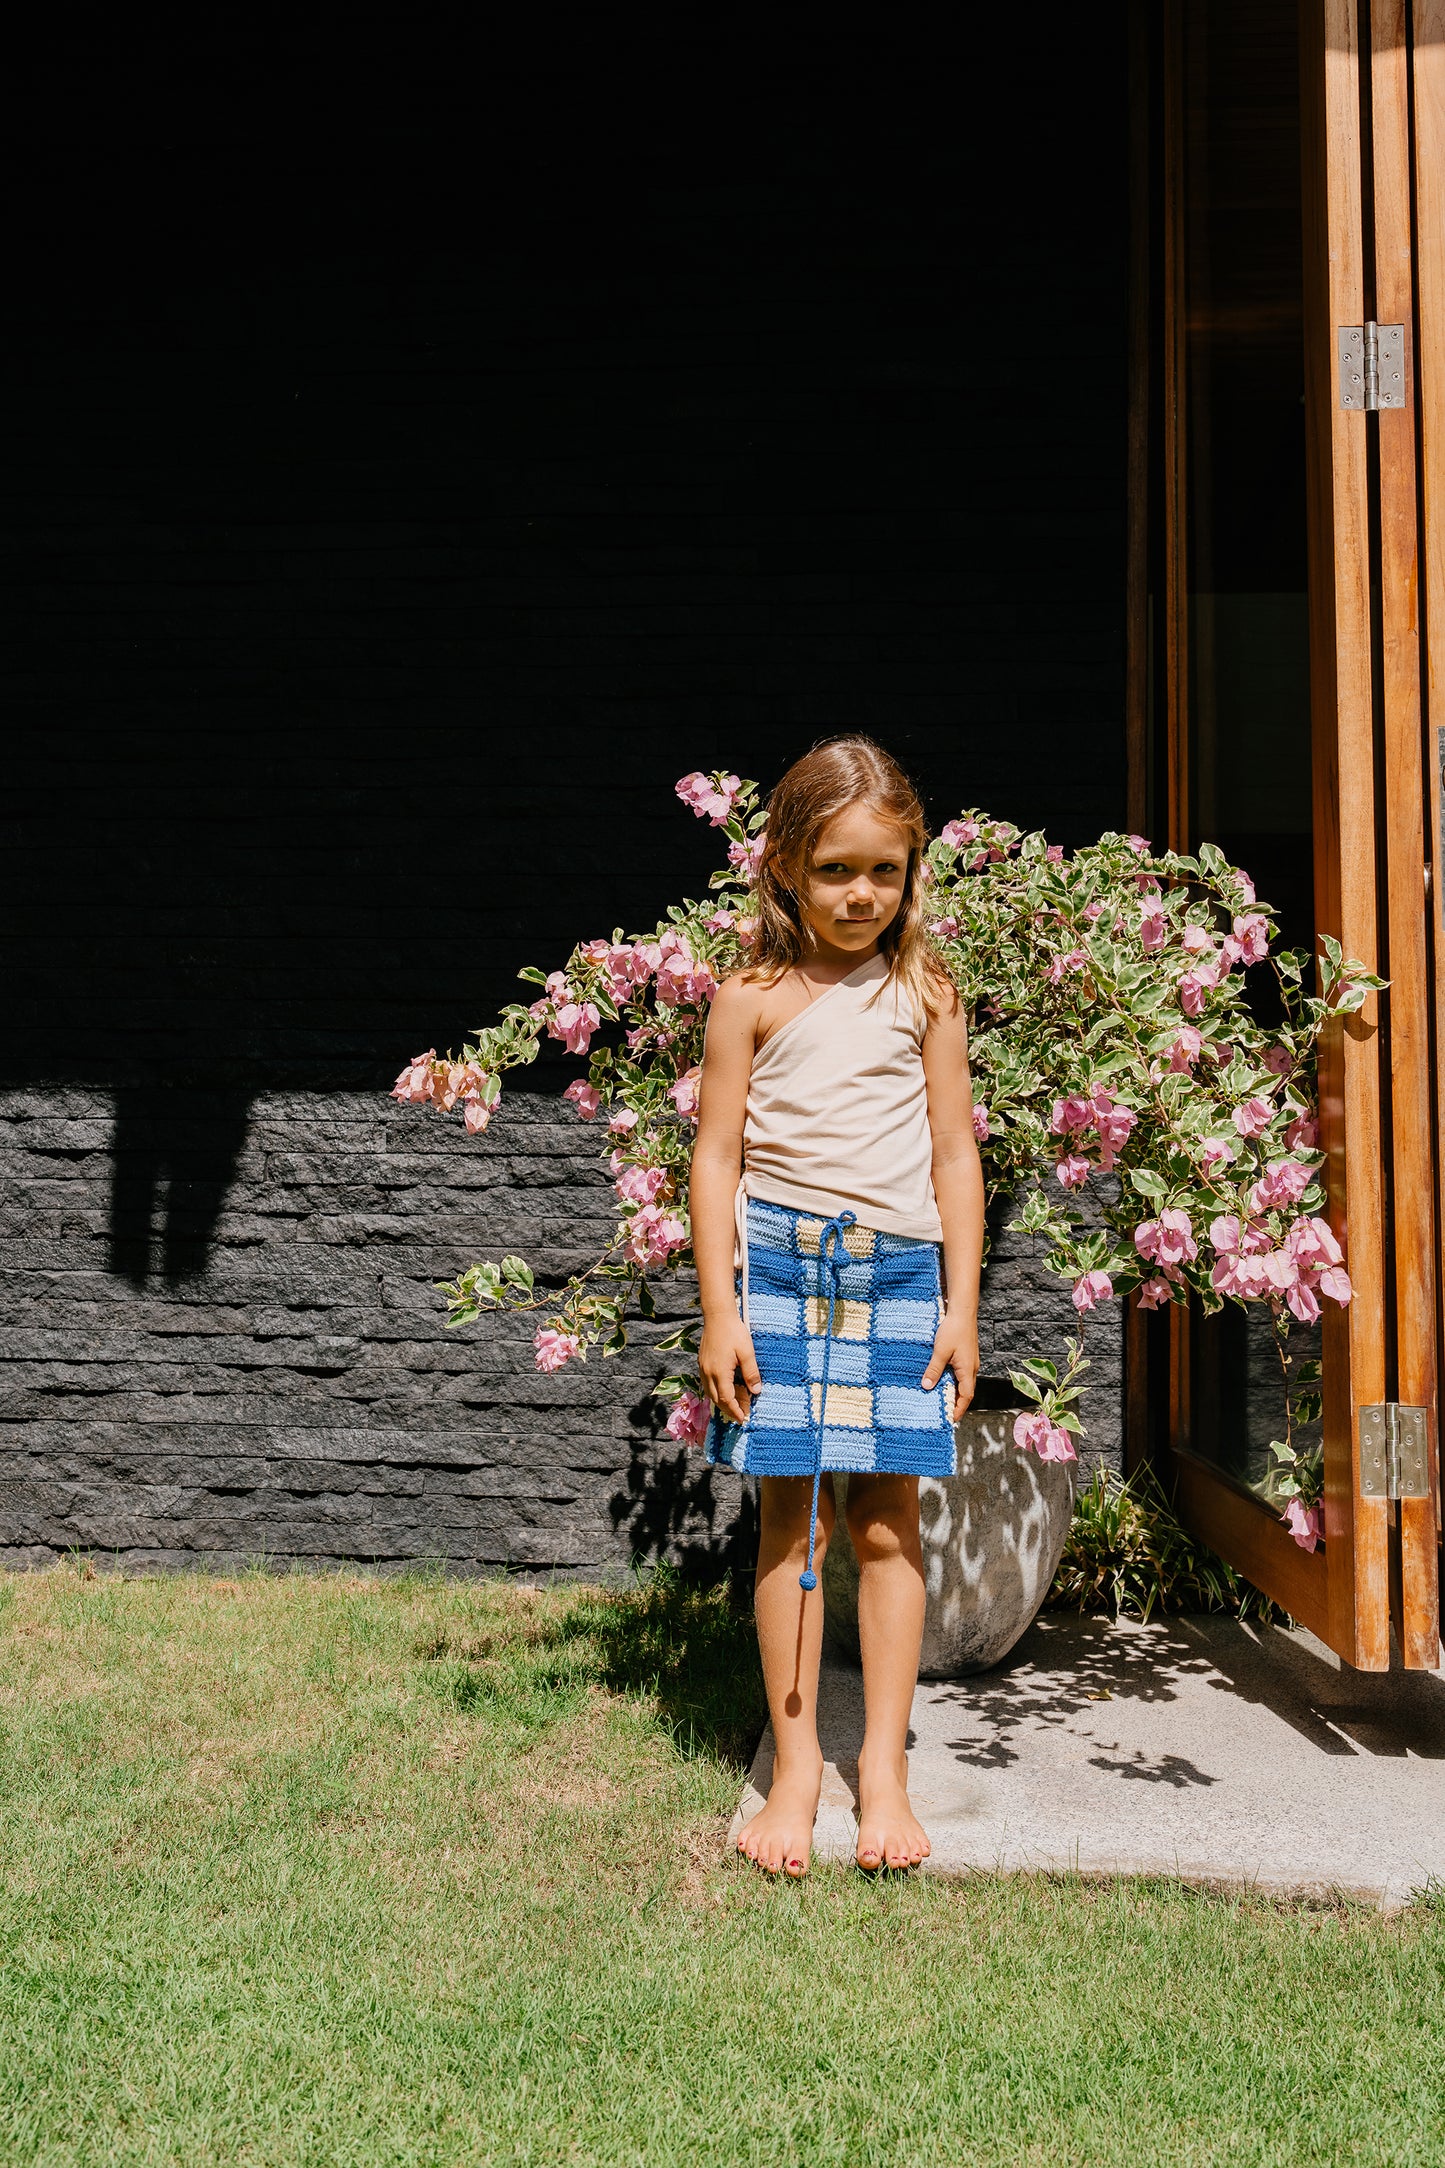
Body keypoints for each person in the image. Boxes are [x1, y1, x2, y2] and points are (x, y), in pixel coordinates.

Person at [692, 736, 985, 1877]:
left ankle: (884, 1772)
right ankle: (798, 1763)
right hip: (776, 1270)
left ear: (911, 868)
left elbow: (955, 1153)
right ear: (782, 868)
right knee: (789, 1520)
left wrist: (960, 1305)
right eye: (832, 870)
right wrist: (720, 1308)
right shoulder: (748, 998)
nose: (859, 893)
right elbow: (714, 1158)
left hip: (900, 1272)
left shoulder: (926, 992)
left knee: (883, 1523)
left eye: (883, 869)